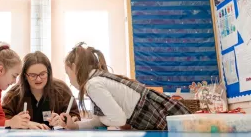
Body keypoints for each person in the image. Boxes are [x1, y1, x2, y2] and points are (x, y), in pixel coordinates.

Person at [60, 42, 191, 131]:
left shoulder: (93, 85)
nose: (69, 80)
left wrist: (101, 119)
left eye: (68, 73)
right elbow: (100, 121)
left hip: (158, 116)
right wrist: (76, 126)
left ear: (74, 68)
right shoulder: (96, 80)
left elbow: (119, 120)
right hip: (155, 114)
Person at [2, 51, 81, 130]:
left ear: (49, 73)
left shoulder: (61, 90)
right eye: (33, 75)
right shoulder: (14, 94)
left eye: (42, 74)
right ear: (25, 76)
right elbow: (3, 118)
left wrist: (62, 122)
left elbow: (75, 117)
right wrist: (24, 123)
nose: (38, 79)